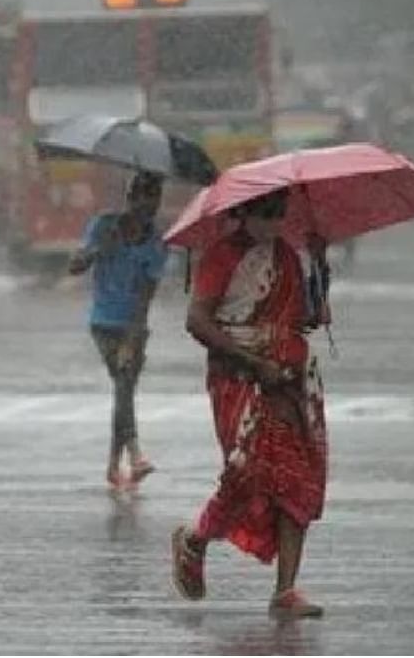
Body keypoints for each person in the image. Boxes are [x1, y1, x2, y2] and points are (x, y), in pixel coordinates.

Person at [170, 188, 330, 620]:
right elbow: (197, 320)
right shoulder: (222, 256)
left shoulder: (289, 256)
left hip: (291, 382)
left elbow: (310, 318)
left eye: (280, 214)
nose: (274, 223)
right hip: (240, 379)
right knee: (248, 474)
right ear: (243, 213)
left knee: (298, 482)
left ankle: (286, 589)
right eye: (266, 213)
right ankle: (196, 539)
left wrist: (319, 267)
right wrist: (254, 363)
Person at [68, 171, 168, 492]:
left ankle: (114, 466)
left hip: (133, 326)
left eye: (153, 205)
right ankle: (135, 453)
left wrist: (132, 339)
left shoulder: (155, 243)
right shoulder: (103, 225)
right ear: (130, 200)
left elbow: (145, 298)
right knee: (124, 384)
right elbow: (75, 266)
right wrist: (98, 249)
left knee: (123, 390)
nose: (146, 212)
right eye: (141, 203)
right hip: (103, 322)